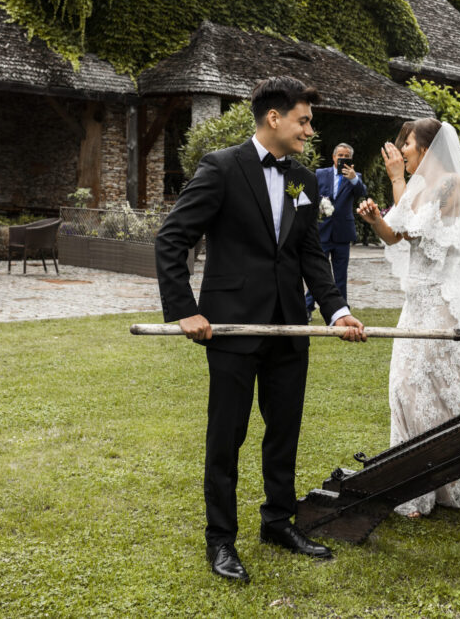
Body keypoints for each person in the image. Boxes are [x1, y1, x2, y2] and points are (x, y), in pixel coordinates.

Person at [155, 76, 367, 584]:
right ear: (275, 117)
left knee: (284, 429)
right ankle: (220, 539)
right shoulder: (221, 168)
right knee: (227, 435)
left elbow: (310, 255)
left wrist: (337, 311)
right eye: (303, 121)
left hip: (289, 326)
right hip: (230, 326)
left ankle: (277, 522)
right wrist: (184, 309)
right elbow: (172, 238)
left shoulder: (305, 180)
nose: (309, 131)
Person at [358, 118, 460, 517]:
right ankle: (413, 483)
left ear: (428, 147)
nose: (402, 151)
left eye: (408, 143)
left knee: (430, 386)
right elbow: (394, 233)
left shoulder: (451, 184)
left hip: (441, 303)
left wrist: (396, 181)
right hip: (415, 304)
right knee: (404, 386)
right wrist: (375, 219)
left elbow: (415, 229)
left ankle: (451, 476)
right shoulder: (417, 186)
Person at [305, 142, 367, 321]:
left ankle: (341, 310)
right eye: (340, 155)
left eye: (347, 156)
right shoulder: (320, 174)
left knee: (341, 275)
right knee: (318, 273)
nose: (343, 159)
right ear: (333, 157)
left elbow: (362, 192)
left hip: (342, 233)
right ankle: (307, 307)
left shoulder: (355, 176)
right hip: (322, 231)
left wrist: (353, 179)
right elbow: (311, 195)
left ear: (351, 159)